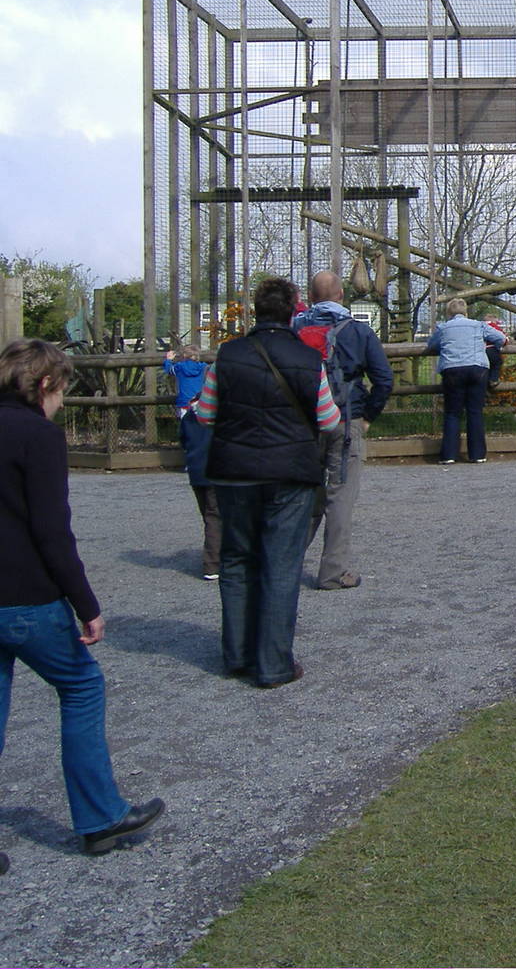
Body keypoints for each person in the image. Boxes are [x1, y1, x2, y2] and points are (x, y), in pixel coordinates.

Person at [0, 338, 165, 861]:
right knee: (81, 686)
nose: (61, 402)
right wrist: (85, 604)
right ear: (45, 383)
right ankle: (100, 816)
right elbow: (52, 531)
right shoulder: (38, 436)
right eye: (61, 390)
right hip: (26, 595)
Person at [194, 278, 342, 688]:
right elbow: (329, 420)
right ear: (294, 309)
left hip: (234, 471)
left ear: (255, 310)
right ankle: (273, 663)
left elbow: (205, 414)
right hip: (290, 472)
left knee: (237, 560)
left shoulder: (227, 355)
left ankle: (238, 655)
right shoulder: (308, 358)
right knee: (281, 565)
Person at [292, 270, 393, 591]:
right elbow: (384, 379)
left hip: (303, 424)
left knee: (305, 496)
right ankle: (332, 572)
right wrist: (367, 418)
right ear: (341, 295)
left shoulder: (294, 329)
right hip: (346, 420)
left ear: (311, 297)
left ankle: (282, 563)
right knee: (340, 497)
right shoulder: (358, 331)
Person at [163, 345, 221, 580]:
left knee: (208, 514)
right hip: (216, 468)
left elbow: (184, 440)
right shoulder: (220, 410)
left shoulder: (190, 415)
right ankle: (213, 563)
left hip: (196, 469)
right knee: (217, 516)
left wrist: (167, 360)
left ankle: (215, 557)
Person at [427, 298, 506, 465]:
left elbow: (431, 345)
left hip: (452, 370)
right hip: (477, 369)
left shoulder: (443, 328)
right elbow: (501, 338)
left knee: (452, 412)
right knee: (475, 411)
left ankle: (449, 455)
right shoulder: (478, 325)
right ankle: (477, 454)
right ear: (466, 312)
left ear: (448, 313)